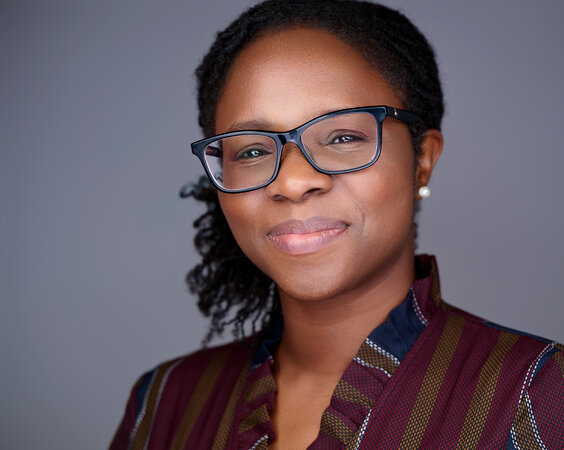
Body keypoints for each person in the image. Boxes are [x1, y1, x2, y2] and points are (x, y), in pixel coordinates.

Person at [110, 1, 564, 448]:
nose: (292, 182)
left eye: (343, 137)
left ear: (422, 160)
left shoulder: (536, 394)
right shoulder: (165, 400)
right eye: (252, 150)